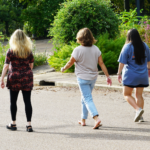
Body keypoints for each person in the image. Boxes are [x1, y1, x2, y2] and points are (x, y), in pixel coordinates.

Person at [61, 28, 112, 129]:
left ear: (80, 38)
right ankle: (83, 119)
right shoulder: (96, 49)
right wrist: (108, 76)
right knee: (84, 98)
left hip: (82, 79)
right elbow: (101, 63)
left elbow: (70, 62)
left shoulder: (78, 50)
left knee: (87, 98)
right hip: (93, 78)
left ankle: (96, 118)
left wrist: (63, 68)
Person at [0, 29, 34, 132]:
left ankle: (13, 124)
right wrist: (25, 72)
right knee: (27, 101)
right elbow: (31, 65)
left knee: (13, 101)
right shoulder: (28, 51)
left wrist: (1, 79)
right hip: (27, 77)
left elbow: (6, 66)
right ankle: (29, 125)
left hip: (14, 78)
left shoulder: (11, 51)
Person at [117, 29, 150, 122]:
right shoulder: (145, 46)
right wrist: (149, 70)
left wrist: (118, 73)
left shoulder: (127, 47)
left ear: (129, 37)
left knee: (126, 94)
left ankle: (138, 109)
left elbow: (122, 62)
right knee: (139, 95)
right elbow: (149, 60)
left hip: (130, 75)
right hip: (143, 75)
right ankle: (140, 117)